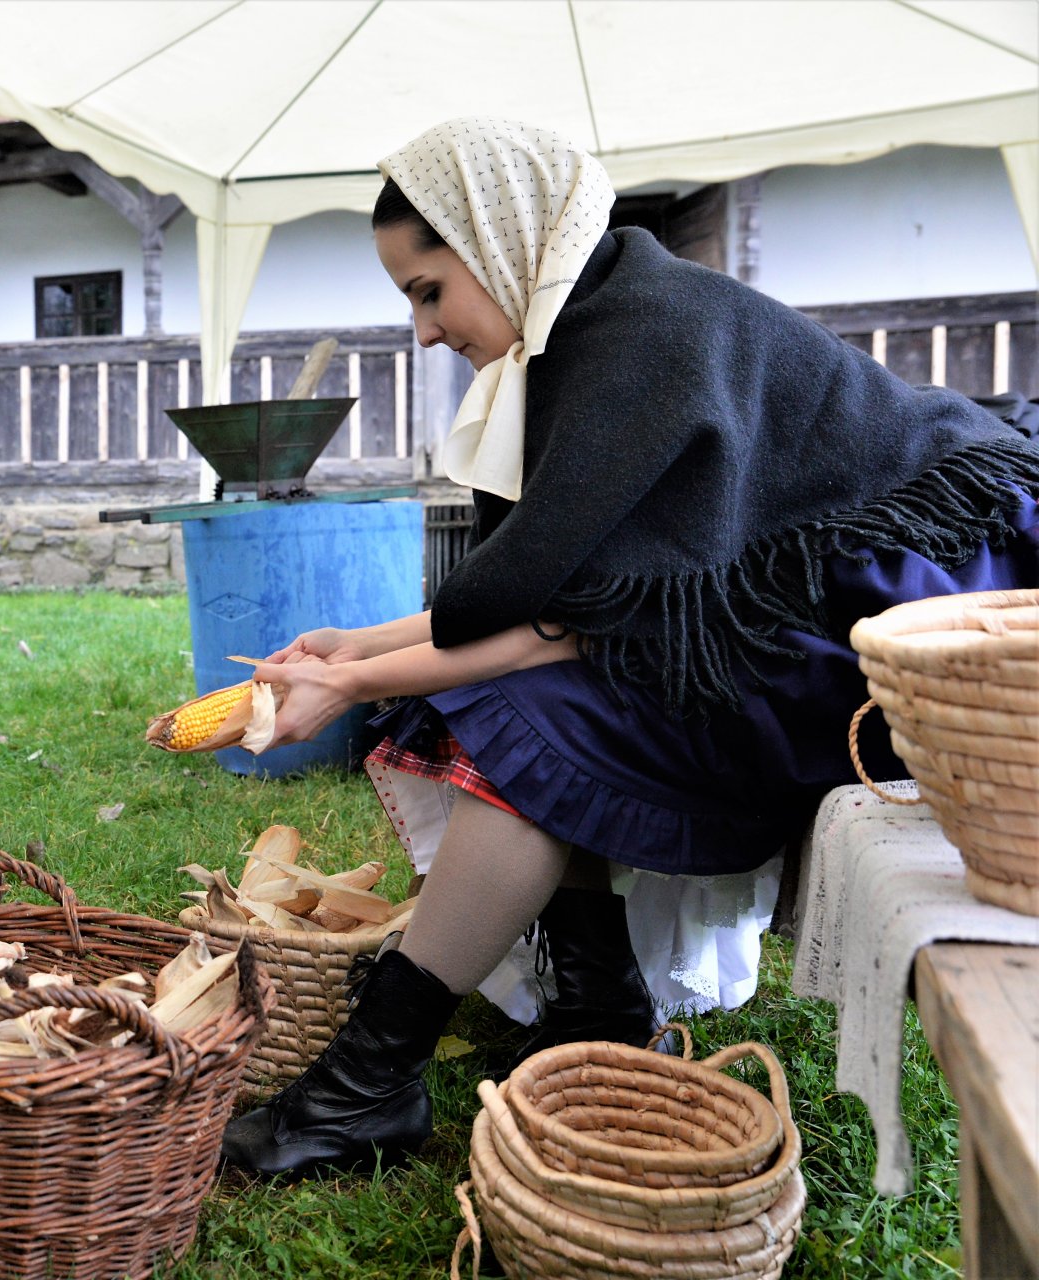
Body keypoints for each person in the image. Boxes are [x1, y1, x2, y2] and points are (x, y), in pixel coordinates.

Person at [220, 117, 1039, 1179]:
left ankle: (371, 1077)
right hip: (794, 597)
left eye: (430, 289)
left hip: (908, 607)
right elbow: (550, 598)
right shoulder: (589, 322)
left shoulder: (641, 334)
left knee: (526, 711)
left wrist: (353, 680)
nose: (423, 330)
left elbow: (555, 625)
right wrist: (357, 645)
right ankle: (592, 1002)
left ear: (504, 239)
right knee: (513, 702)